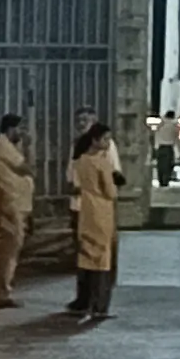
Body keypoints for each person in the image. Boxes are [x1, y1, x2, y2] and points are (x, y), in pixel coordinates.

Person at [65, 116, 122, 323]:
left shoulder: (80, 161)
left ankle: (83, 301)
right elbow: (110, 192)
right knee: (103, 262)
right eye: (105, 139)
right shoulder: (102, 163)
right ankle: (100, 306)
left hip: (86, 210)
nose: (108, 144)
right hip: (102, 212)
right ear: (96, 140)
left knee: (86, 258)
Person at [0, 111, 33, 309]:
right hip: (12, 204)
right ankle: (1, 291)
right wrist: (28, 145)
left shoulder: (8, 147)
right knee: (9, 249)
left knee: (11, 249)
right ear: (11, 129)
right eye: (21, 128)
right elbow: (26, 168)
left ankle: (2, 288)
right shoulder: (3, 146)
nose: (23, 132)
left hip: (18, 204)